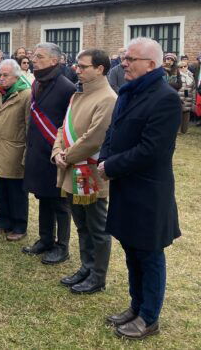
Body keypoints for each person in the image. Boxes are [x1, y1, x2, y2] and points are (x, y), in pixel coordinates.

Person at [99, 37, 181, 340]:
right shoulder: (128, 92)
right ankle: (135, 306)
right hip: (125, 185)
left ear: (151, 64)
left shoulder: (165, 98)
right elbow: (113, 130)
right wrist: (105, 158)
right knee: (131, 248)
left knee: (149, 253)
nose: (124, 63)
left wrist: (111, 166)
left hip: (148, 190)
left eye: (131, 59)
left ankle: (149, 317)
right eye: (124, 57)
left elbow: (152, 150)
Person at [52, 49, 117, 294]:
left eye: (83, 66)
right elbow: (62, 127)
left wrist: (66, 157)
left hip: (88, 173)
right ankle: (85, 267)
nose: (76, 70)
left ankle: (97, 276)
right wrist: (57, 151)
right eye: (77, 66)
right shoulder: (77, 95)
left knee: (97, 227)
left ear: (100, 69)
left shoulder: (108, 98)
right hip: (72, 169)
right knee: (81, 224)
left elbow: (94, 139)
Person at [22, 42, 76, 264]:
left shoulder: (67, 87)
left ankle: (62, 247)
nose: (35, 60)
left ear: (55, 61)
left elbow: (69, 125)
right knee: (43, 196)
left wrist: (62, 151)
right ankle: (45, 239)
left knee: (60, 203)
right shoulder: (37, 83)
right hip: (38, 150)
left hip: (56, 154)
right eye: (34, 56)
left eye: (40, 57)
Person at [0, 59, 31, 242]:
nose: (1, 79)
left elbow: (29, 126)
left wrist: (27, 152)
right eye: (0, 75)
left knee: (16, 191)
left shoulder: (25, 95)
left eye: (5, 75)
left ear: (16, 76)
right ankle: (3, 222)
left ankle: (19, 225)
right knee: (0, 187)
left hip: (15, 149)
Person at [177, 59, 195, 134]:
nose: (183, 68)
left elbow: (194, 88)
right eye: (181, 67)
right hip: (179, 96)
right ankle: (177, 130)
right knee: (178, 114)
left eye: (185, 66)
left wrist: (194, 100)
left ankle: (184, 130)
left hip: (188, 96)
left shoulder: (191, 75)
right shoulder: (177, 76)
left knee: (186, 113)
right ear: (179, 68)